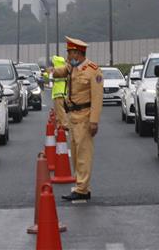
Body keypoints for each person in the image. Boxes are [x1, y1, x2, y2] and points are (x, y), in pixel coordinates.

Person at [52, 36, 103, 201]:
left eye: (70, 53)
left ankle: (82, 188)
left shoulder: (93, 70)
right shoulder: (72, 67)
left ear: (78, 53)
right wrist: (51, 71)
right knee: (75, 153)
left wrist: (94, 121)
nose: (68, 57)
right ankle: (81, 186)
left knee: (83, 154)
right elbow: (61, 72)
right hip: (73, 116)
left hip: (85, 116)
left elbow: (97, 98)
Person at [50, 55, 68, 129]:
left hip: (59, 92)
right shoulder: (63, 69)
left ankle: (64, 124)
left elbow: (50, 78)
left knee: (60, 110)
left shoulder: (57, 70)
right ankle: (59, 124)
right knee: (58, 110)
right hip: (61, 92)